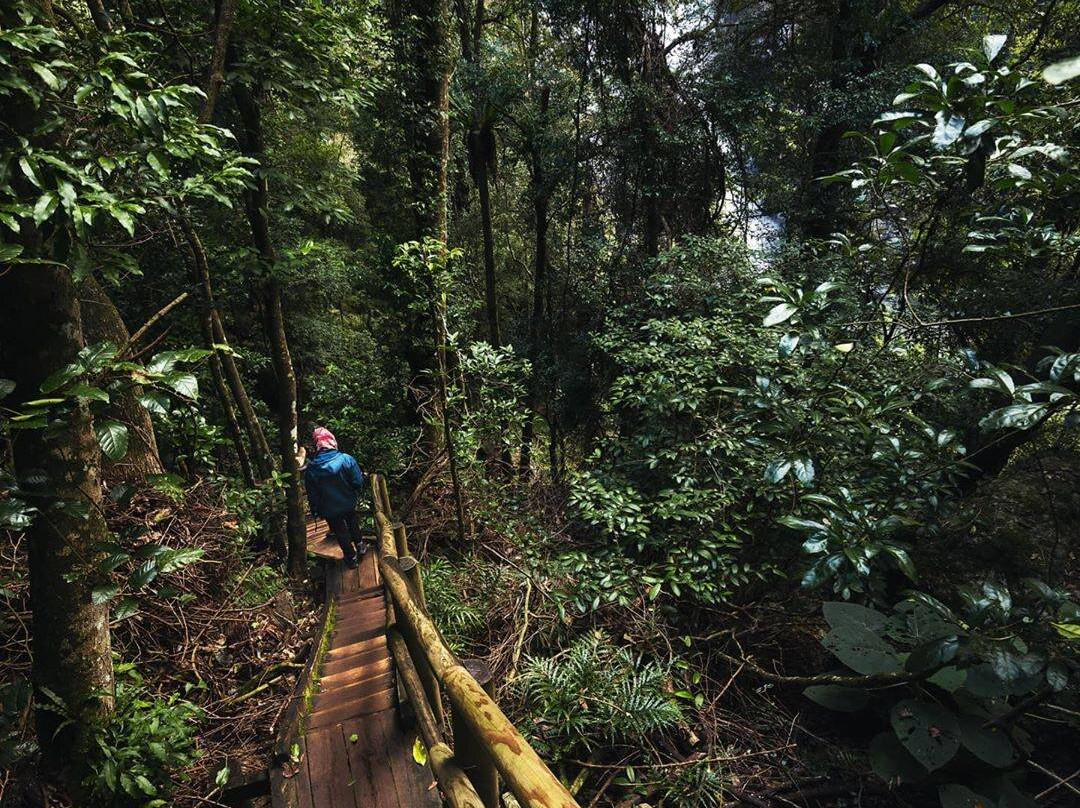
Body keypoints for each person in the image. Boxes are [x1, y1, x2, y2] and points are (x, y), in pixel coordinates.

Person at [303, 427, 369, 568]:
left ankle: (351, 559)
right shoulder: (346, 459)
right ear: (332, 440)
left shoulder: (312, 469)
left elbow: (312, 493)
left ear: (317, 444)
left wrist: (315, 509)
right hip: (348, 501)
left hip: (329, 508)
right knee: (352, 521)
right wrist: (353, 490)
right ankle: (360, 545)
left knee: (339, 531)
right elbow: (357, 481)